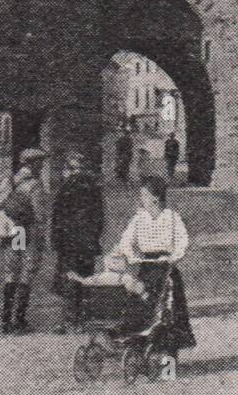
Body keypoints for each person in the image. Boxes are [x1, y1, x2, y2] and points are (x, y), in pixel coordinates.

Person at [114, 176, 195, 358]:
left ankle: (168, 364)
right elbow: (126, 240)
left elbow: (182, 241)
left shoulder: (172, 218)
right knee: (140, 303)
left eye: (144, 194)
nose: (141, 198)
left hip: (166, 269)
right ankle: (140, 349)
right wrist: (131, 255)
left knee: (168, 311)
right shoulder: (139, 219)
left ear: (155, 198)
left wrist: (174, 256)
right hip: (147, 268)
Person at [50, 150, 105, 334]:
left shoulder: (66, 187)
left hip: (69, 243)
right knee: (85, 279)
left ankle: (70, 320)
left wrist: (56, 241)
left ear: (70, 169)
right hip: (87, 242)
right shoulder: (93, 187)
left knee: (69, 280)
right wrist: (94, 237)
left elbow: (57, 217)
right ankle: (83, 319)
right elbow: (99, 218)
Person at [0, 148, 49, 334]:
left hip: (14, 230)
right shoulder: (35, 185)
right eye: (40, 163)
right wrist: (41, 237)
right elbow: (39, 215)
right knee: (27, 272)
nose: (41, 166)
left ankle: (5, 320)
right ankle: (19, 319)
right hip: (28, 231)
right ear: (33, 164)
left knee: (11, 272)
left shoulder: (9, 180)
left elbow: (1, 203)